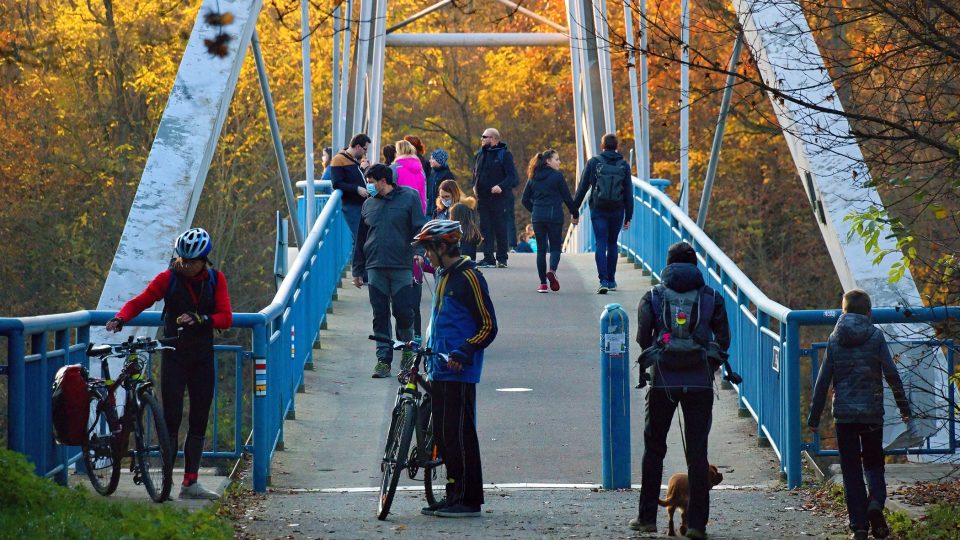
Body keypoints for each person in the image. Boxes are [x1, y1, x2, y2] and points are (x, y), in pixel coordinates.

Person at [105, 228, 232, 500]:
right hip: (174, 355)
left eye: (192, 262)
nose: (185, 266)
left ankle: (190, 483)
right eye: (182, 260)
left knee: (199, 419)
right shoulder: (169, 278)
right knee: (171, 420)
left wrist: (202, 319)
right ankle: (165, 482)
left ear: (204, 260)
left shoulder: (216, 280)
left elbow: (225, 317)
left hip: (202, 357)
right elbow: (142, 300)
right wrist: (120, 318)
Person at [630, 241, 730, 539]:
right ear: (695, 266)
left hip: (663, 381)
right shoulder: (712, 297)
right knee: (697, 454)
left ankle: (647, 518)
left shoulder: (654, 296)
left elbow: (641, 338)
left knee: (654, 448)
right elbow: (723, 340)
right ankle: (697, 524)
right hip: (699, 383)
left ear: (669, 265)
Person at [808, 289, 911, 540]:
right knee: (874, 464)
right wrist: (904, 407)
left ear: (843, 311)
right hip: (872, 413)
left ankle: (860, 527)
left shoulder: (834, 339)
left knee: (851, 470)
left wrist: (813, 418)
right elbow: (891, 373)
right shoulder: (876, 336)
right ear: (869, 312)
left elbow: (823, 381)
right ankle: (875, 502)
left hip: (844, 416)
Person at [411, 219, 498, 518]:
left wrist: (465, 350)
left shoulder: (469, 277)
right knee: (444, 435)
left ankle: (469, 499)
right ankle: (452, 494)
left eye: (428, 248)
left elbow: (489, 325)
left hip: (459, 369)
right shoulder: (443, 274)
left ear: (442, 246)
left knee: (460, 434)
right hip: (439, 366)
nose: (425, 255)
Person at [352, 164, 427, 378]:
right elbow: (360, 239)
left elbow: (419, 228)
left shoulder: (409, 197)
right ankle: (383, 360)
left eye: (371, 181)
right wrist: (357, 269)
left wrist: (419, 251)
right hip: (374, 265)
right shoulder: (368, 204)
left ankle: (407, 354)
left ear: (383, 180)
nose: (369, 186)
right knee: (380, 313)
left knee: (403, 311)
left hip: (401, 265)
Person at [573, 133, 633, 294]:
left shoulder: (594, 163)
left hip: (598, 209)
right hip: (617, 209)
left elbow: (583, 187)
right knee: (612, 243)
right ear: (617, 147)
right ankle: (612, 280)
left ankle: (603, 280)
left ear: (602, 146)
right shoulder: (624, 165)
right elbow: (628, 192)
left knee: (600, 243)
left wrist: (575, 211)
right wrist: (629, 216)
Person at [521, 149, 579, 293]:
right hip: (555, 216)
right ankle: (552, 271)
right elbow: (567, 198)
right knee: (554, 248)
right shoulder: (557, 177)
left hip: (538, 217)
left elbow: (524, 199)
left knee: (541, 250)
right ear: (548, 161)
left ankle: (542, 284)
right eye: (557, 159)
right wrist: (575, 214)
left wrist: (534, 210)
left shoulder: (533, 176)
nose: (559, 162)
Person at [471, 128, 518, 268]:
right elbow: (475, 173)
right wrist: (474, 185)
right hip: (483, 198)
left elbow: (513, 178)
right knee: (485, 228)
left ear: (493, 138)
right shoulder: (480, 154)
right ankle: (488, 258)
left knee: (500, 228)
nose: (482, 139)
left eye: (484, 137)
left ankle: (502, 258)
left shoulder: (504, 155)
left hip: (500, 199)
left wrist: (501, 186)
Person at [330, 134, 372, 239]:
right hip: (352, 205)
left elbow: (354, 178)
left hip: (362, 204)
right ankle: (357, 256)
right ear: (358, 147)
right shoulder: (338, 159)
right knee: (359, 238)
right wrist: (356, 189)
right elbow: (336, 183)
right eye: (365, 149)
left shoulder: (354, 159)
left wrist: (364, 169)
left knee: (363, 237)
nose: (365, 152)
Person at [391, 139, 427, 214]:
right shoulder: (421, 170)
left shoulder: (394, 168)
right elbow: (424, 191)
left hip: (399, 210)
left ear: (398, 152)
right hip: (418, 210)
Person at [427, 148, 455, 217]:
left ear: (439, 160)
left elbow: (451, 195)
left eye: (432, 159)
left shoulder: (447, 175)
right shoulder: (432, 175)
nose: (430, 161)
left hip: (443, 213)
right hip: (431, 212)